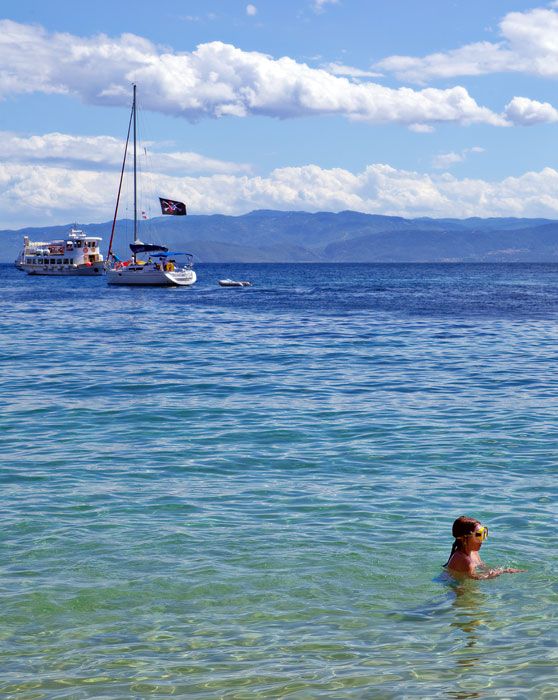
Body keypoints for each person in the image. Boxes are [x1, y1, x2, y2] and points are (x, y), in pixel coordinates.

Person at [444, 516, 525, 579]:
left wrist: (505, 570)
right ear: (464, 538)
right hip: (456, 589)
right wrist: (499, 573)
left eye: (483, 534)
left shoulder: (474, 553)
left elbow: (484, 568)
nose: (482, 540)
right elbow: (476, 578)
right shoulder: (463, 559)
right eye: (478, 535)